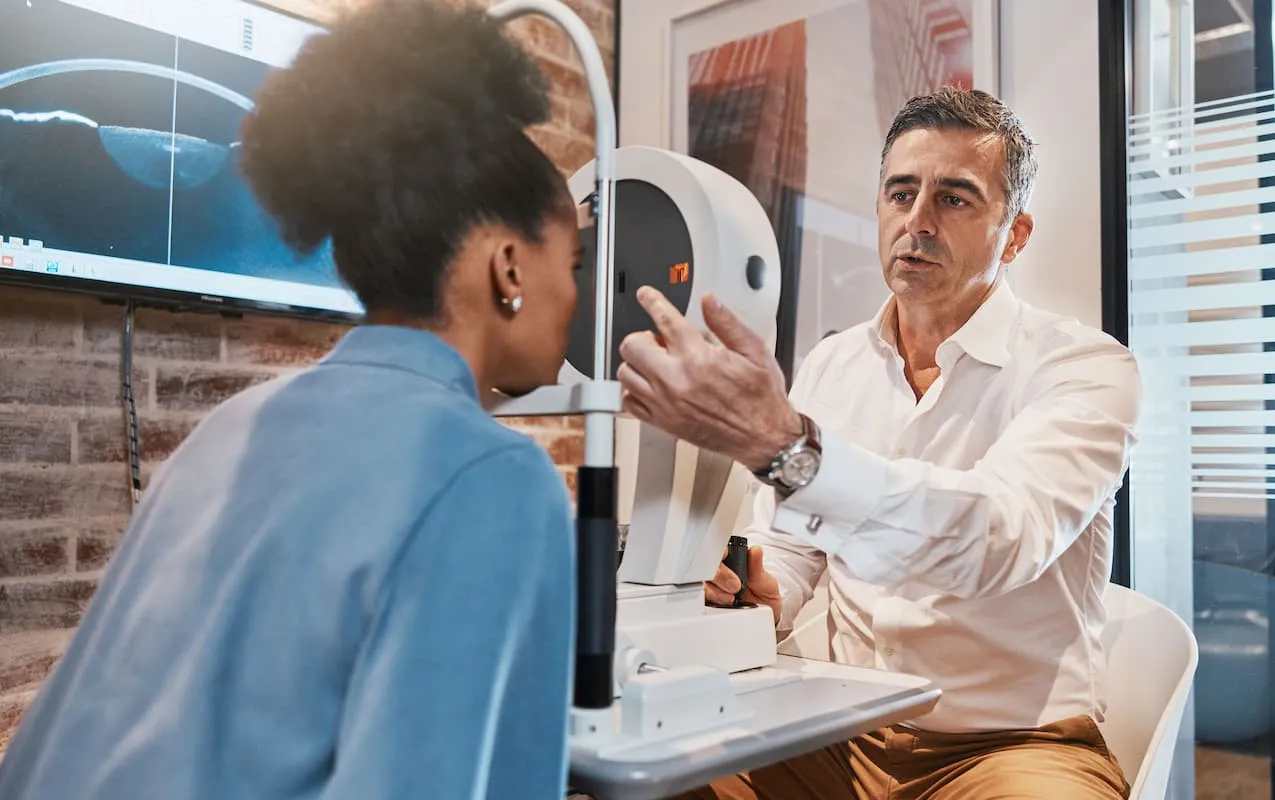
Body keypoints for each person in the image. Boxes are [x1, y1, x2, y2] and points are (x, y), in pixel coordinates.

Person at [0, 2, 582, 798]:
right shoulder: (491, 476)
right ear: (508, 266)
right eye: (572, 262)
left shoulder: (229, 427)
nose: (575, 294)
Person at [617, 87, 1140, 799]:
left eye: (953, 198)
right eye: (900, 194)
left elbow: (998, 539)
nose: (916, 221)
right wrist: (763, 595)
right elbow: (792, 549)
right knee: (649, 778)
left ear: (1015, 235)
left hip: (1007, 747)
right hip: (836, 727)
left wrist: (787, 447)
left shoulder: (1085, 368)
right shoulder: (833, 365)